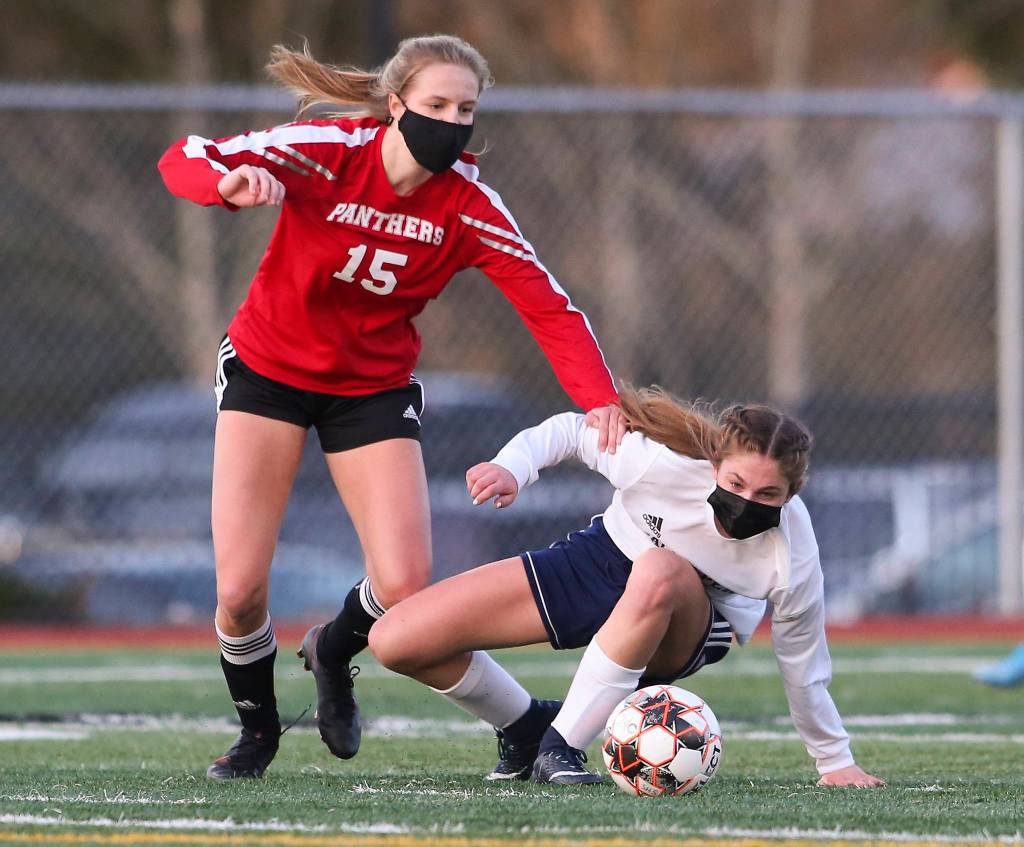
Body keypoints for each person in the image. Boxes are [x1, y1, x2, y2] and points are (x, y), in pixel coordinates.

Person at [157, 34, 624, 780]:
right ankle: (258, 732)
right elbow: (186, 155)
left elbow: (551, 308)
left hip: (370, 389)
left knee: (407, 587)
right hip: (268, 371)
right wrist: (230, 182)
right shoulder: (325, 148)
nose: (452, 121)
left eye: (466, 109)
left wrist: (600, 400)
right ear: (397, 104)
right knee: (240, 590)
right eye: (436, 104)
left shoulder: (468, 202)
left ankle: (334, 648)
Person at [369, 385, 886, 788]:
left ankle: (560, 746)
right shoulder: (662, 464)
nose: (747, 499)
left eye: (768, 493)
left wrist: (835, 761)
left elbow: (803, 666)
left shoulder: (792, 551)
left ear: (793, 495)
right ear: (714, 467)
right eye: (735, 484)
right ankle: (527, 728)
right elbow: (571, 431)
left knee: (660, 569)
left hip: (687, 619)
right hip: (599, 560)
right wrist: (512, 467)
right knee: (397, 640)